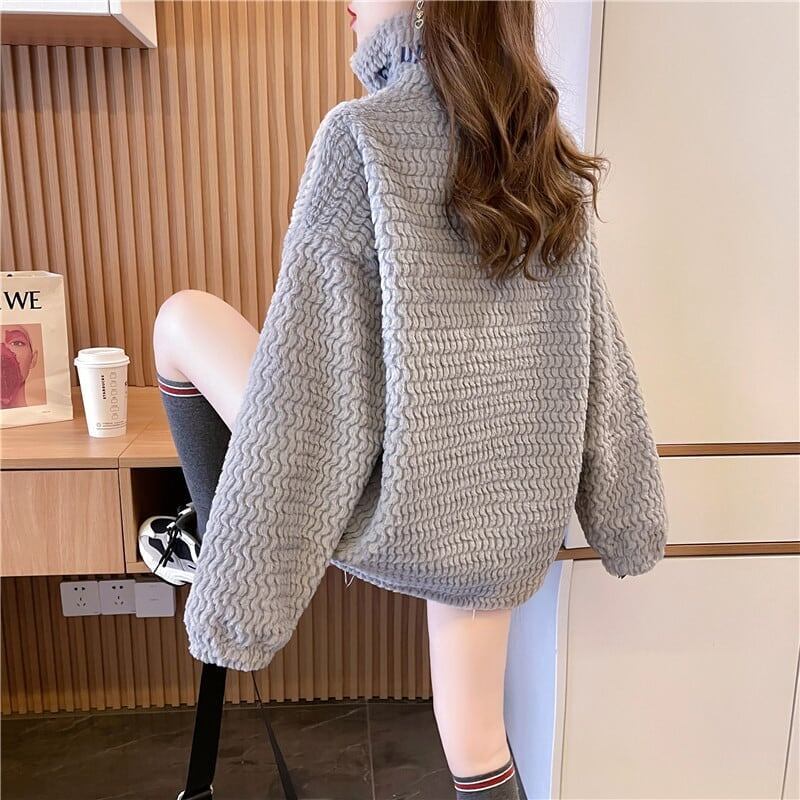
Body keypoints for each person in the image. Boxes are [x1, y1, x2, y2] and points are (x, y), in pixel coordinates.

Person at [152, 3, 668, 799]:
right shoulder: (541, 149)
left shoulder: (363, 137)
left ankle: (212, 533)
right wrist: (629, 519)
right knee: (476, 739)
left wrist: (239, 594)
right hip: (502, 522)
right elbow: (601, 356)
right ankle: (217, 534)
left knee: (181, 319)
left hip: (391, 504)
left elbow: (307, 391)